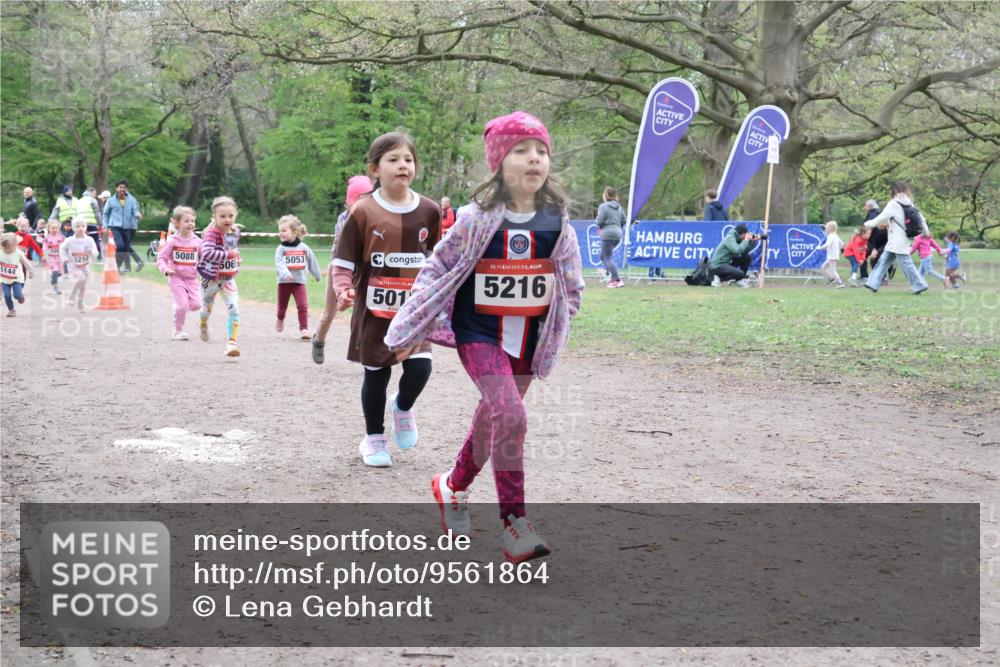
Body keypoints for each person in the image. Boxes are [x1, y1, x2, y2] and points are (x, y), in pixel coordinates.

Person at [386, 111, 585, 563]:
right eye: (521, 150)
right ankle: (515, 522)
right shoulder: (476, 219)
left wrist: (562, 317)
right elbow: (437, 267)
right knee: (510, 414)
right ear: (499, 162)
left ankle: (452, 485)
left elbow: (571, 282)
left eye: (541, 151)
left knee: (495, 418)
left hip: (529, 340)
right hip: (479, 334)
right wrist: (411, 324)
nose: (534, 159)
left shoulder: (557, 221)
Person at [331, 132, 441, 468]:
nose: (402, 165)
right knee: (376, 373)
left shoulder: (429, 210)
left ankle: (403, 407)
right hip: (375, 308)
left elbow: (438, 258)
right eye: (393, 160)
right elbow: (343, 259)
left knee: (421, 367)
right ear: (375, 169)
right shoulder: (363, 211)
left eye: (408, 159)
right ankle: (374, 440)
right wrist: (343, 288)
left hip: (415, 308)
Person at [312, 175, 373, 364]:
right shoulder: (343, 220)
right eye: (360, 199)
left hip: (362, 272)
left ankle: (364, 348)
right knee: (329, 313)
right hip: (339, 269)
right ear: (350, 202)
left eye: (368, 198)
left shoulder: (376, 216)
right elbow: (346, 247)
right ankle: (319, 340)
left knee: (364, 312)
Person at [196, 196, 243, 357]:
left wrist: (237, 259)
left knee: (234, 308)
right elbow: (207, 252)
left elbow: (233, 250)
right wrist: (228, 255)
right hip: (210, 279)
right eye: (222, 216)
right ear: (214, 217)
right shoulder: (211, 233)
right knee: (206, 309)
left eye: (230, 216)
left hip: (228, 279)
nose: (227, 219)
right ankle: (203, 323)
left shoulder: (234, 231)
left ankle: (232, 343)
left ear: (235, 215)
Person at [864, 182, 929, 294]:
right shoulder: (909, 203)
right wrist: (926, 232)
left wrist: (867, 224)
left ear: (893, 191)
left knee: (906, 263)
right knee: (883, 261)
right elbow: (921, 219)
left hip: (896, 240)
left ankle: (919, 285)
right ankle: (872, 283)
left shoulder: (893, 204)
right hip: (900, 240)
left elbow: (881, 218)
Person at [157, 206, 203, 340]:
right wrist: (166, 269)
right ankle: (178, 331)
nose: (190, 224)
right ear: (177, 223)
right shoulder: (172, 241)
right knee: (182, 305)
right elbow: (161, 258)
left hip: (193, 279)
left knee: (196, 305)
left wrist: (205, 266)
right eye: (186, 221)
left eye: (192, 221)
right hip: (176, 277)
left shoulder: (198, 242)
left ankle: (179, 309)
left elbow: (205, 257)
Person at [274, 214, 321, 339]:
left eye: (284, 231)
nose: (281, 234)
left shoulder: (304, 248)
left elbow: (312, 261)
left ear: (294, 232)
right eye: (280, 231)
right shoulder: (280, 249)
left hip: (299, 283)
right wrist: (286, 274)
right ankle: (280, 318)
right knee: (282, 308)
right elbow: (279, 263)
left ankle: (304, 329)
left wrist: (317, 275)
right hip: (284, 283)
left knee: (302, 306)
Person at [103, 179, 144, 272]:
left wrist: (137, 214)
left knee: (125, 248)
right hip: (114, 226)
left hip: (127, 227)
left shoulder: (131, 200)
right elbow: (105, 214)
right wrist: (105, 226)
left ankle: (117, 267)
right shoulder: (110, 201)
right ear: (116, 189)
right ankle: (117, 267)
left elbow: (135, 211)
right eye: (120, 187)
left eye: (124, 188)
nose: (122, 189)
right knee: (120, 246)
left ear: (126, 189)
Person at [59, 217, 99, 312]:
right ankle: (71, 296)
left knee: (82, 286)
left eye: (82, 226)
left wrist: (91, 252)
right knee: (81, 279)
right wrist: (64, 259)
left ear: (85, 228)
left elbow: (95, 252)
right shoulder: (70, 240)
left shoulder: (89, 240)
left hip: (85, 265)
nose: (80, 228)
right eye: (77, 226)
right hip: (73, 266)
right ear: (73, 228)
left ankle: (80, 304)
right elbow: (62, 248)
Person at [708, 223, 762, 288]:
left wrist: (750, 242)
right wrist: (746, 240)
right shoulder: (730, 238)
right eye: (745, 235)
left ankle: (739, 280)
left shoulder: (737, 238)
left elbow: (743, 252)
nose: (745, 237)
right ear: (742, 234)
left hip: (726, 263)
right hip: (717, 266)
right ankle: (718, 277)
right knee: (741, 273)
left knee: (747, 258)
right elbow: (737, 251)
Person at [596, 186, 625, 288]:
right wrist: (617, 228)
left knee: (607, 257)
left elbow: (599, 221)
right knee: (603, 256)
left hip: (607, 234)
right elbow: (624, 220)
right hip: (617, 234)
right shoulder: (619, 207)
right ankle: (613, 277)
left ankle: (617, 279)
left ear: (605, 195)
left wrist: (597, 223)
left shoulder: (603, 207)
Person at [1, 232, 32, 317]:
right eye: (5, 248)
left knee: (17, 295)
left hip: (17, 278)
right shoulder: (1, 252)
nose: (7, 250)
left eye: (9, 248)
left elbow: (26, 262)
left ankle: (20, 297)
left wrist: (30, 271)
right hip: (4, 279)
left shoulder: (18, 253)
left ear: (15, 245)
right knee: (7, 295)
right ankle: (11, 310)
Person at [76, 187, 104, 260]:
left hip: (81, 224)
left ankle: (82, 257)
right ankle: (99, 256)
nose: (95, 195)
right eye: (94, 193)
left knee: (82, 240)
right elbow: (97, 213)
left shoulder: (79, 200)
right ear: (90, 192)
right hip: (91, 223)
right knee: (95, 240)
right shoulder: (92, 200)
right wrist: (101, 224)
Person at [816, 220, 845, 288]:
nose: (825, 229)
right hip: (832, 255)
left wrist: (819, 248)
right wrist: (838, 250)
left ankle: (839, 283)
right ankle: (832, 279)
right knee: (823, 267)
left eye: (826, 228)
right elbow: (842, 243)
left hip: (832, 256)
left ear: (830, 229)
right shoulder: (835, 236)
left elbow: (827, 244)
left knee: (833, 270)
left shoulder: (831, 236)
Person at [42, 220, 66, 295]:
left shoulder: (62, 238)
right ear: (49, 228)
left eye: (56, 228)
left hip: (60, 258)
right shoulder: (47, 238)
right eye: (52, 228)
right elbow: (44, 248)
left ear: (58, 229)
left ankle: (53, 278)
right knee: (55, 271)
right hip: (51, 258)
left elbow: (65, 246)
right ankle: (55, 288)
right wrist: (45, 256)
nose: (54, 229)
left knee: (59, 273)